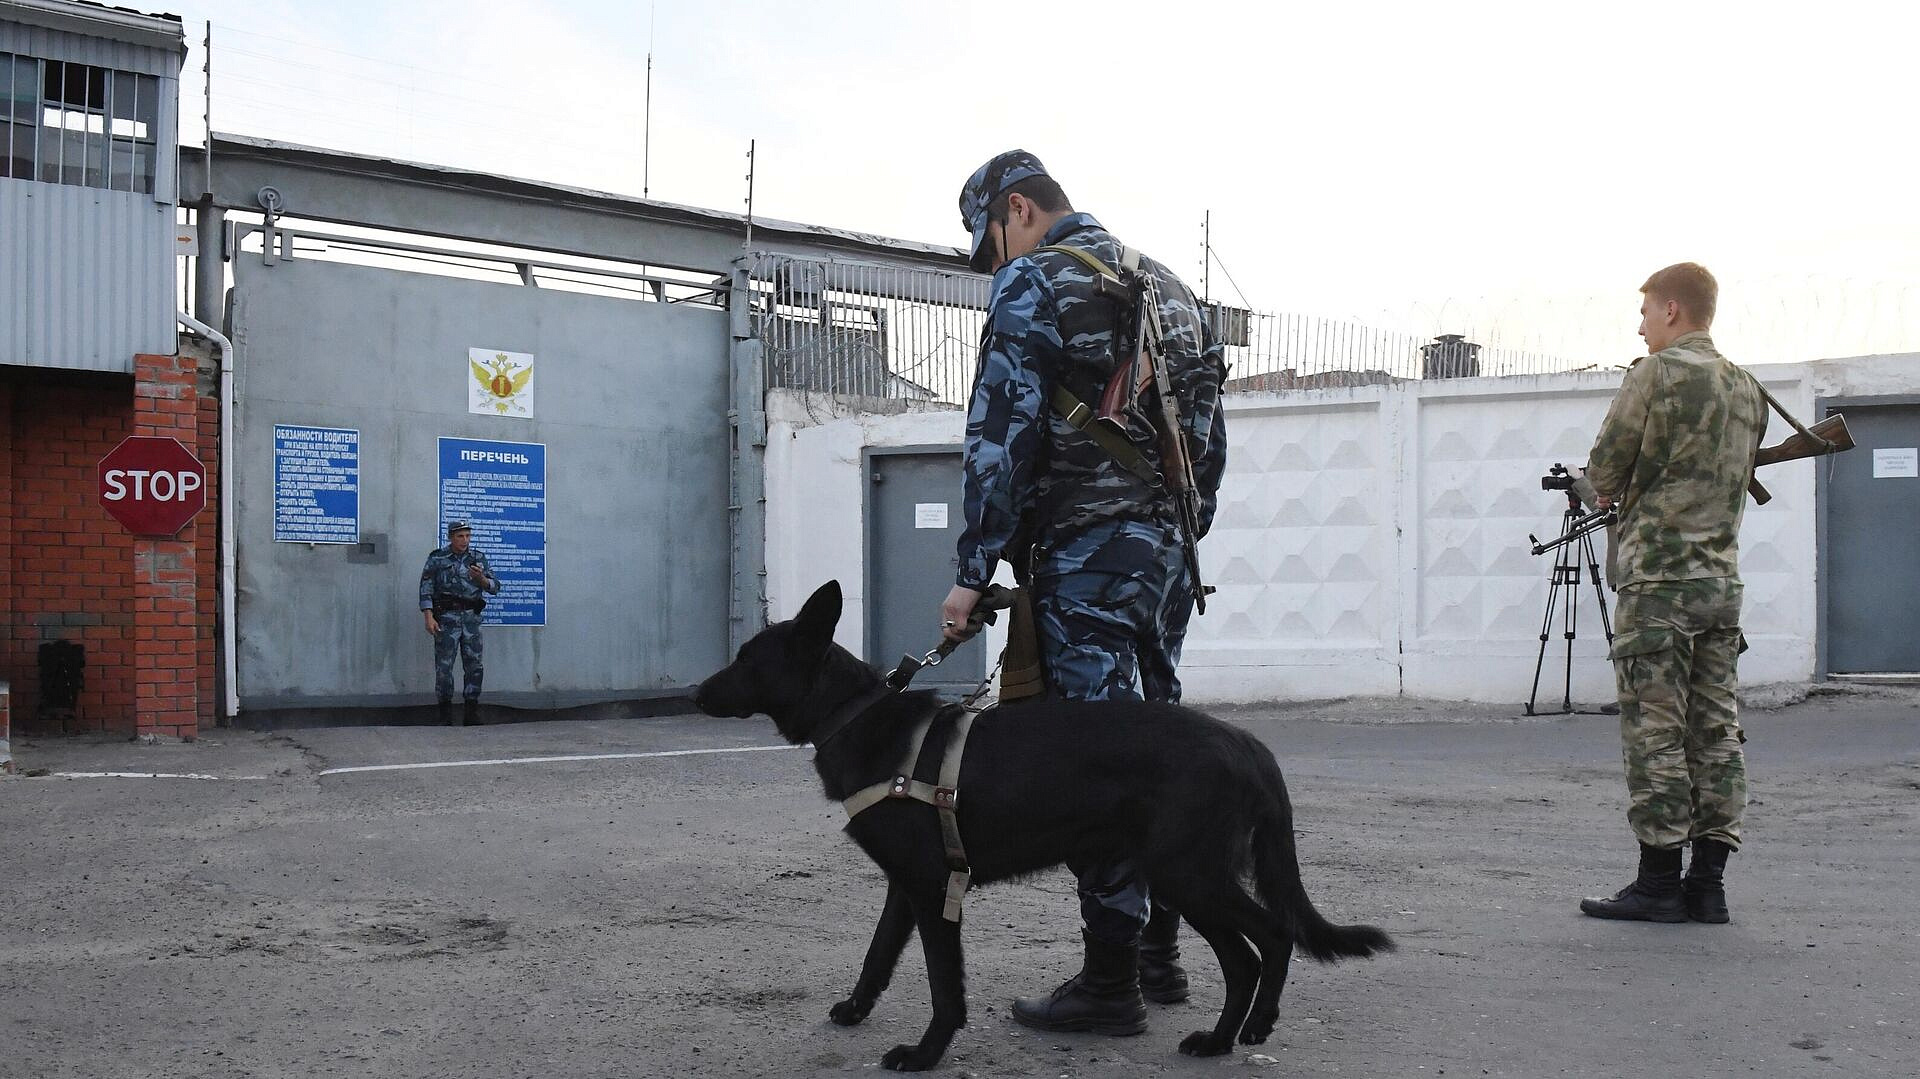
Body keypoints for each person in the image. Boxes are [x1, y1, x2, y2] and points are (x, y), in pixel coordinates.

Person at [939, 150, 1228, 1033]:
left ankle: (1111, 983)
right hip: (1167, 558)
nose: (994, 266)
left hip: (1086, 560)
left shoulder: (1034, 281)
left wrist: (971, 570)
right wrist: (1177, 531)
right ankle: (1159, 954)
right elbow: (1209, 438)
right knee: (1156, 745)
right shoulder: (1173, 287)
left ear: (1016, 210)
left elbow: (1002, 430)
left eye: (989, 244)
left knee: (1095, 760)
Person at [1579, 263, 1766, 924]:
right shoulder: (1748, 389)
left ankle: (1658, 880)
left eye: (1647, 312)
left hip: (1659, 584)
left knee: (1655, 724)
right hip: (1721, 585)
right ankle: (1707, 884)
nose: (1641, 325)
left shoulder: (1653, 375)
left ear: (1674, 312)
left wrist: (1592, 486)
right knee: (1716, 727)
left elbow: (1605, 470)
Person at [419, 520, 501, 726]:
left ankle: (471, 713)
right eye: (460, 536)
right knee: (444, 667)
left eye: (467, 536)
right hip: (446, 619)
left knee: (474, 666)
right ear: (450, 537)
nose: (465, 540)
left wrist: (481, 579)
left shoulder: (478, 558)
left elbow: (494, 587)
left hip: (471, 619)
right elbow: (426, 588)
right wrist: (428, 616)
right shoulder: (437, 558)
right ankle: (445, 714)